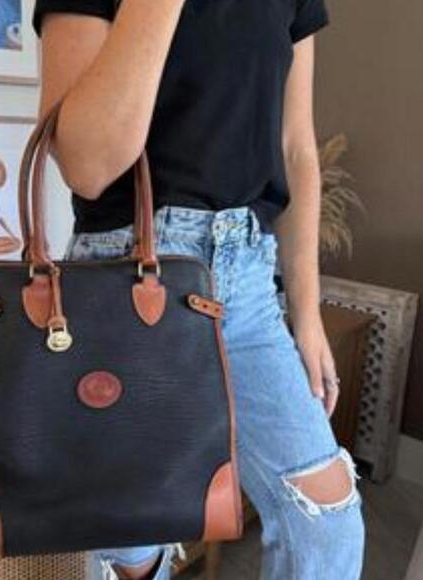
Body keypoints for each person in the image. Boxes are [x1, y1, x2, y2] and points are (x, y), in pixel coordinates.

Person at [31, 1, 366, 579]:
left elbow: (296, 149)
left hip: (250, 284)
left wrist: (307, 314)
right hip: (125, 277)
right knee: (135, 538)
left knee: (326, 518)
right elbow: (88, 167)